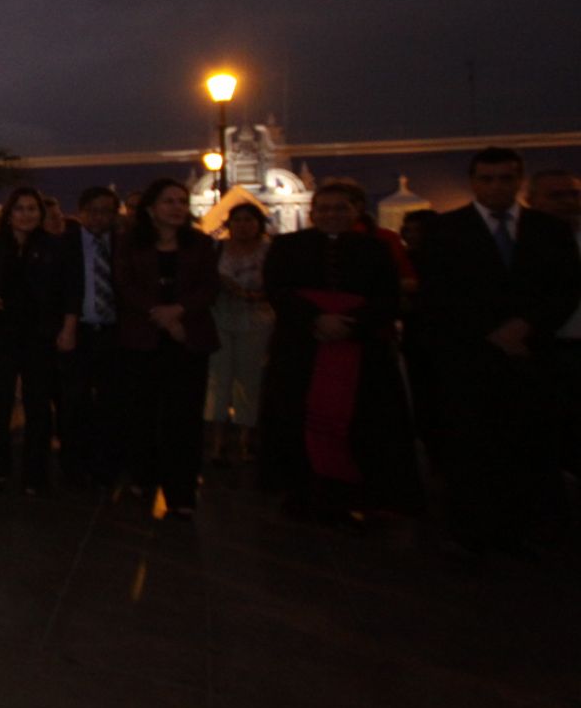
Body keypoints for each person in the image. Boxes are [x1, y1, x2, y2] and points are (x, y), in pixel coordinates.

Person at [417, 149, 580, 558]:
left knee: (534, 444)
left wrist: (528, 325)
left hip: (532, 355)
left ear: (519, 182)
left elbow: (567, 288)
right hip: (473, 359)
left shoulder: (549, 230)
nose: (496, 187)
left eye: (505, 179)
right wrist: (491, 331)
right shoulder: (445, 230)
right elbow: (439, 293)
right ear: (474, 182)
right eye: (487, 179)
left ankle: (533, 529)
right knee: (475, 448)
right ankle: (476, 530)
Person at [259, 185, 422, 521]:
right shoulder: (288, 246)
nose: (331, 215)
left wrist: (351, 323)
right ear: (312, 212)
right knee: (300, 420)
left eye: (339, 208)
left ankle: (361, 495)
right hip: (303, 348)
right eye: (324, 208)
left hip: (360, 347)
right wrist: (316, 319)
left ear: (355, 211)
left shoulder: (376, 249)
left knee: (364, 424)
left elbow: (387, 297)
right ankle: (306, 492)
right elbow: (277, 291)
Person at [115, 178, 220, 520]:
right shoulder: (130, 243)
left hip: (187, 339)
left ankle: (182, 491)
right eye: (169, 201)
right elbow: (125, 285)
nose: (177, 207)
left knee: (184, 417)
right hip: (143, 338)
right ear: (151, 209)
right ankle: (143, 477)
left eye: (181, 201)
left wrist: (179, 312)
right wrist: (159, 314)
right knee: (141, 413)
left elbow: (208, 287)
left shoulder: (200, 244)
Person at [0, 187, 65, 494]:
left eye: (32, 209)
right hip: (2, 332)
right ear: (9, 215)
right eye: (20, 209)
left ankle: (35, 474)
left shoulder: (52, 247)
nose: (26, 215)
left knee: (38, 405)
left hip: (39, 334)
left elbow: (66, 290)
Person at [56, 186, 122, 489]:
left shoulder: (122, 245)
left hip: (113, 331)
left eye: (106, 211)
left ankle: (106, 464)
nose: (99, 217)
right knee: (73, 400)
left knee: (111, 400)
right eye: (93, 210)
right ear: (82, 212)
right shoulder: (66, 243)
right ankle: (74, 464)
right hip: (78, 329)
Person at [204, 202, 272, 465]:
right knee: (218, 379)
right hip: (221, 317)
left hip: (257, 320)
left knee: (250, 379)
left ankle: (245, 438)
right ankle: (216, 439)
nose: (243, 225)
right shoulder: (217, 248)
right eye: (238, 220)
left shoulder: (269, 251)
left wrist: (250, 294)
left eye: (249, 220)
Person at [527, 170, 581, 481]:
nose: (568, 203)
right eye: (556, 196)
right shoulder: (522, 246)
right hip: (548, 350)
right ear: (531, 200)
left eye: (573, 195)